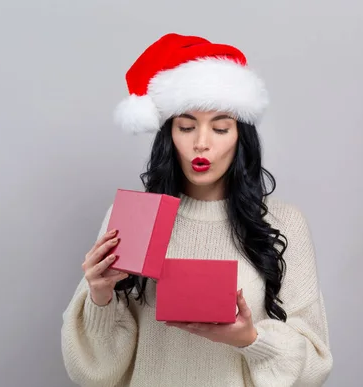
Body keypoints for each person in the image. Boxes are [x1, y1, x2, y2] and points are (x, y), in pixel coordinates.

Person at [60, 33, 333, 387]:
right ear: (168, 135)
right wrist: (99, 297)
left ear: (241, 138)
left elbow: (315, 365)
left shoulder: (282, 223)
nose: (201, 142)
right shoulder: (134, 217)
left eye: (220, 128)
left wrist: (249, 339)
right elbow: (93, 371)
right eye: (186, 126)